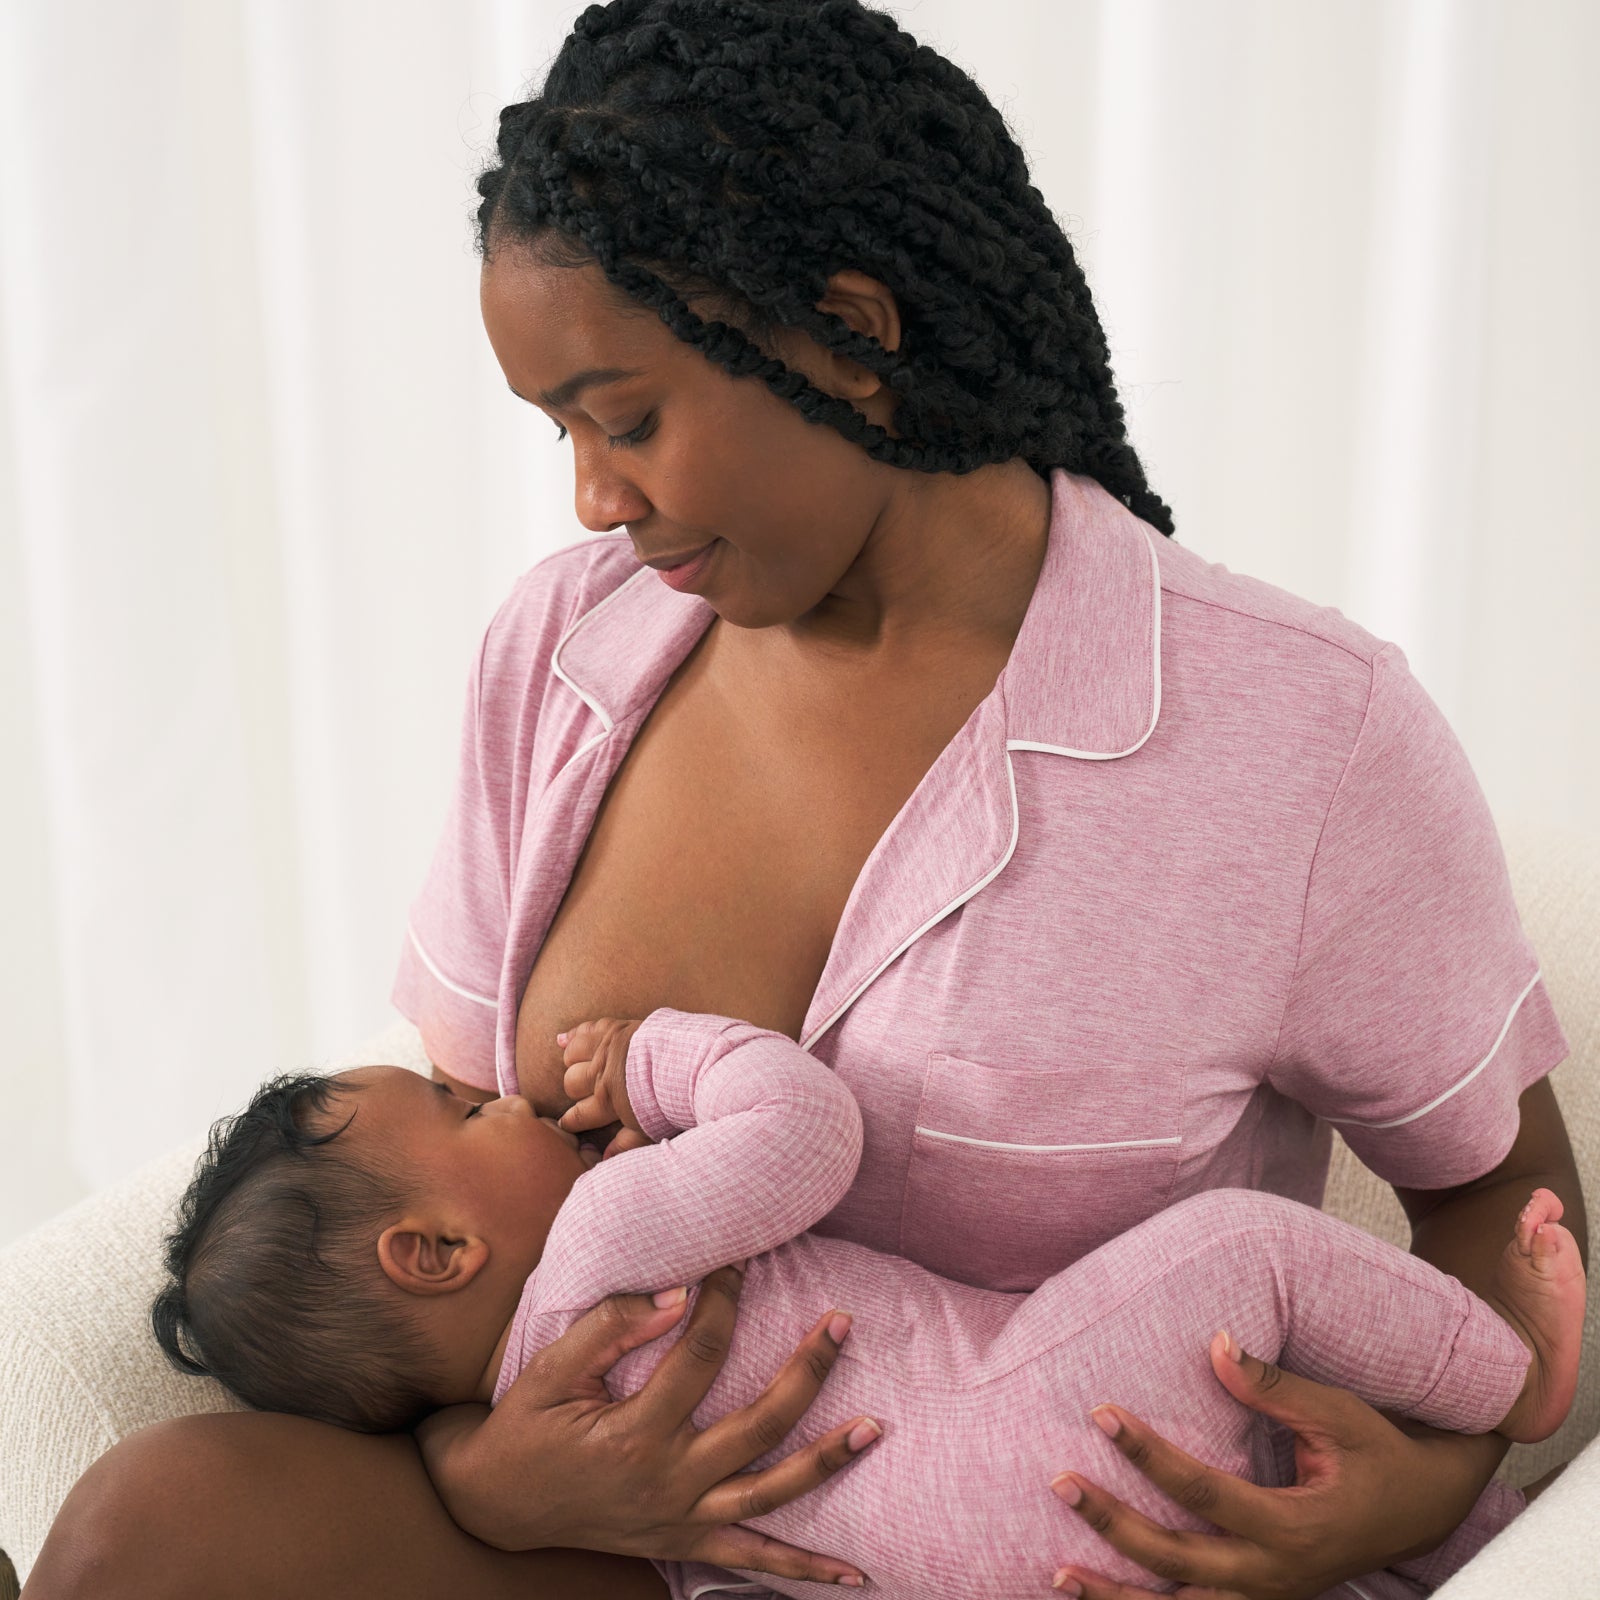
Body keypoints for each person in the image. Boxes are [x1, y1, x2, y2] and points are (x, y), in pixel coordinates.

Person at [26, 3, 1587, 1598]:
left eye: (627, 418)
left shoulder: (1299, 735)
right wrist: (485, 1472)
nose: (590, 497)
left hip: (1065, 1548)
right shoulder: (559, 655)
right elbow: (454, 1186)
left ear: (851, 328)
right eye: (559, 430)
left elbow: (1499, 1198)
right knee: (150, 1530)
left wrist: (1420, 1487)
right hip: (652, 1548)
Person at [148, 1011, 1586, 1599]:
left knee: (1258, 1462)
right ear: (439, 1253)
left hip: (954, 1570)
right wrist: (659, 1058)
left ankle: (1470, 1544)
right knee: (1248, 1255)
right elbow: (805, 1131)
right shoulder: (597, 1242)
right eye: (464, 1107)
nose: (510, 1091)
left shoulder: (556, 1409)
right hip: (1018, 1431)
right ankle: (1506, 1382)